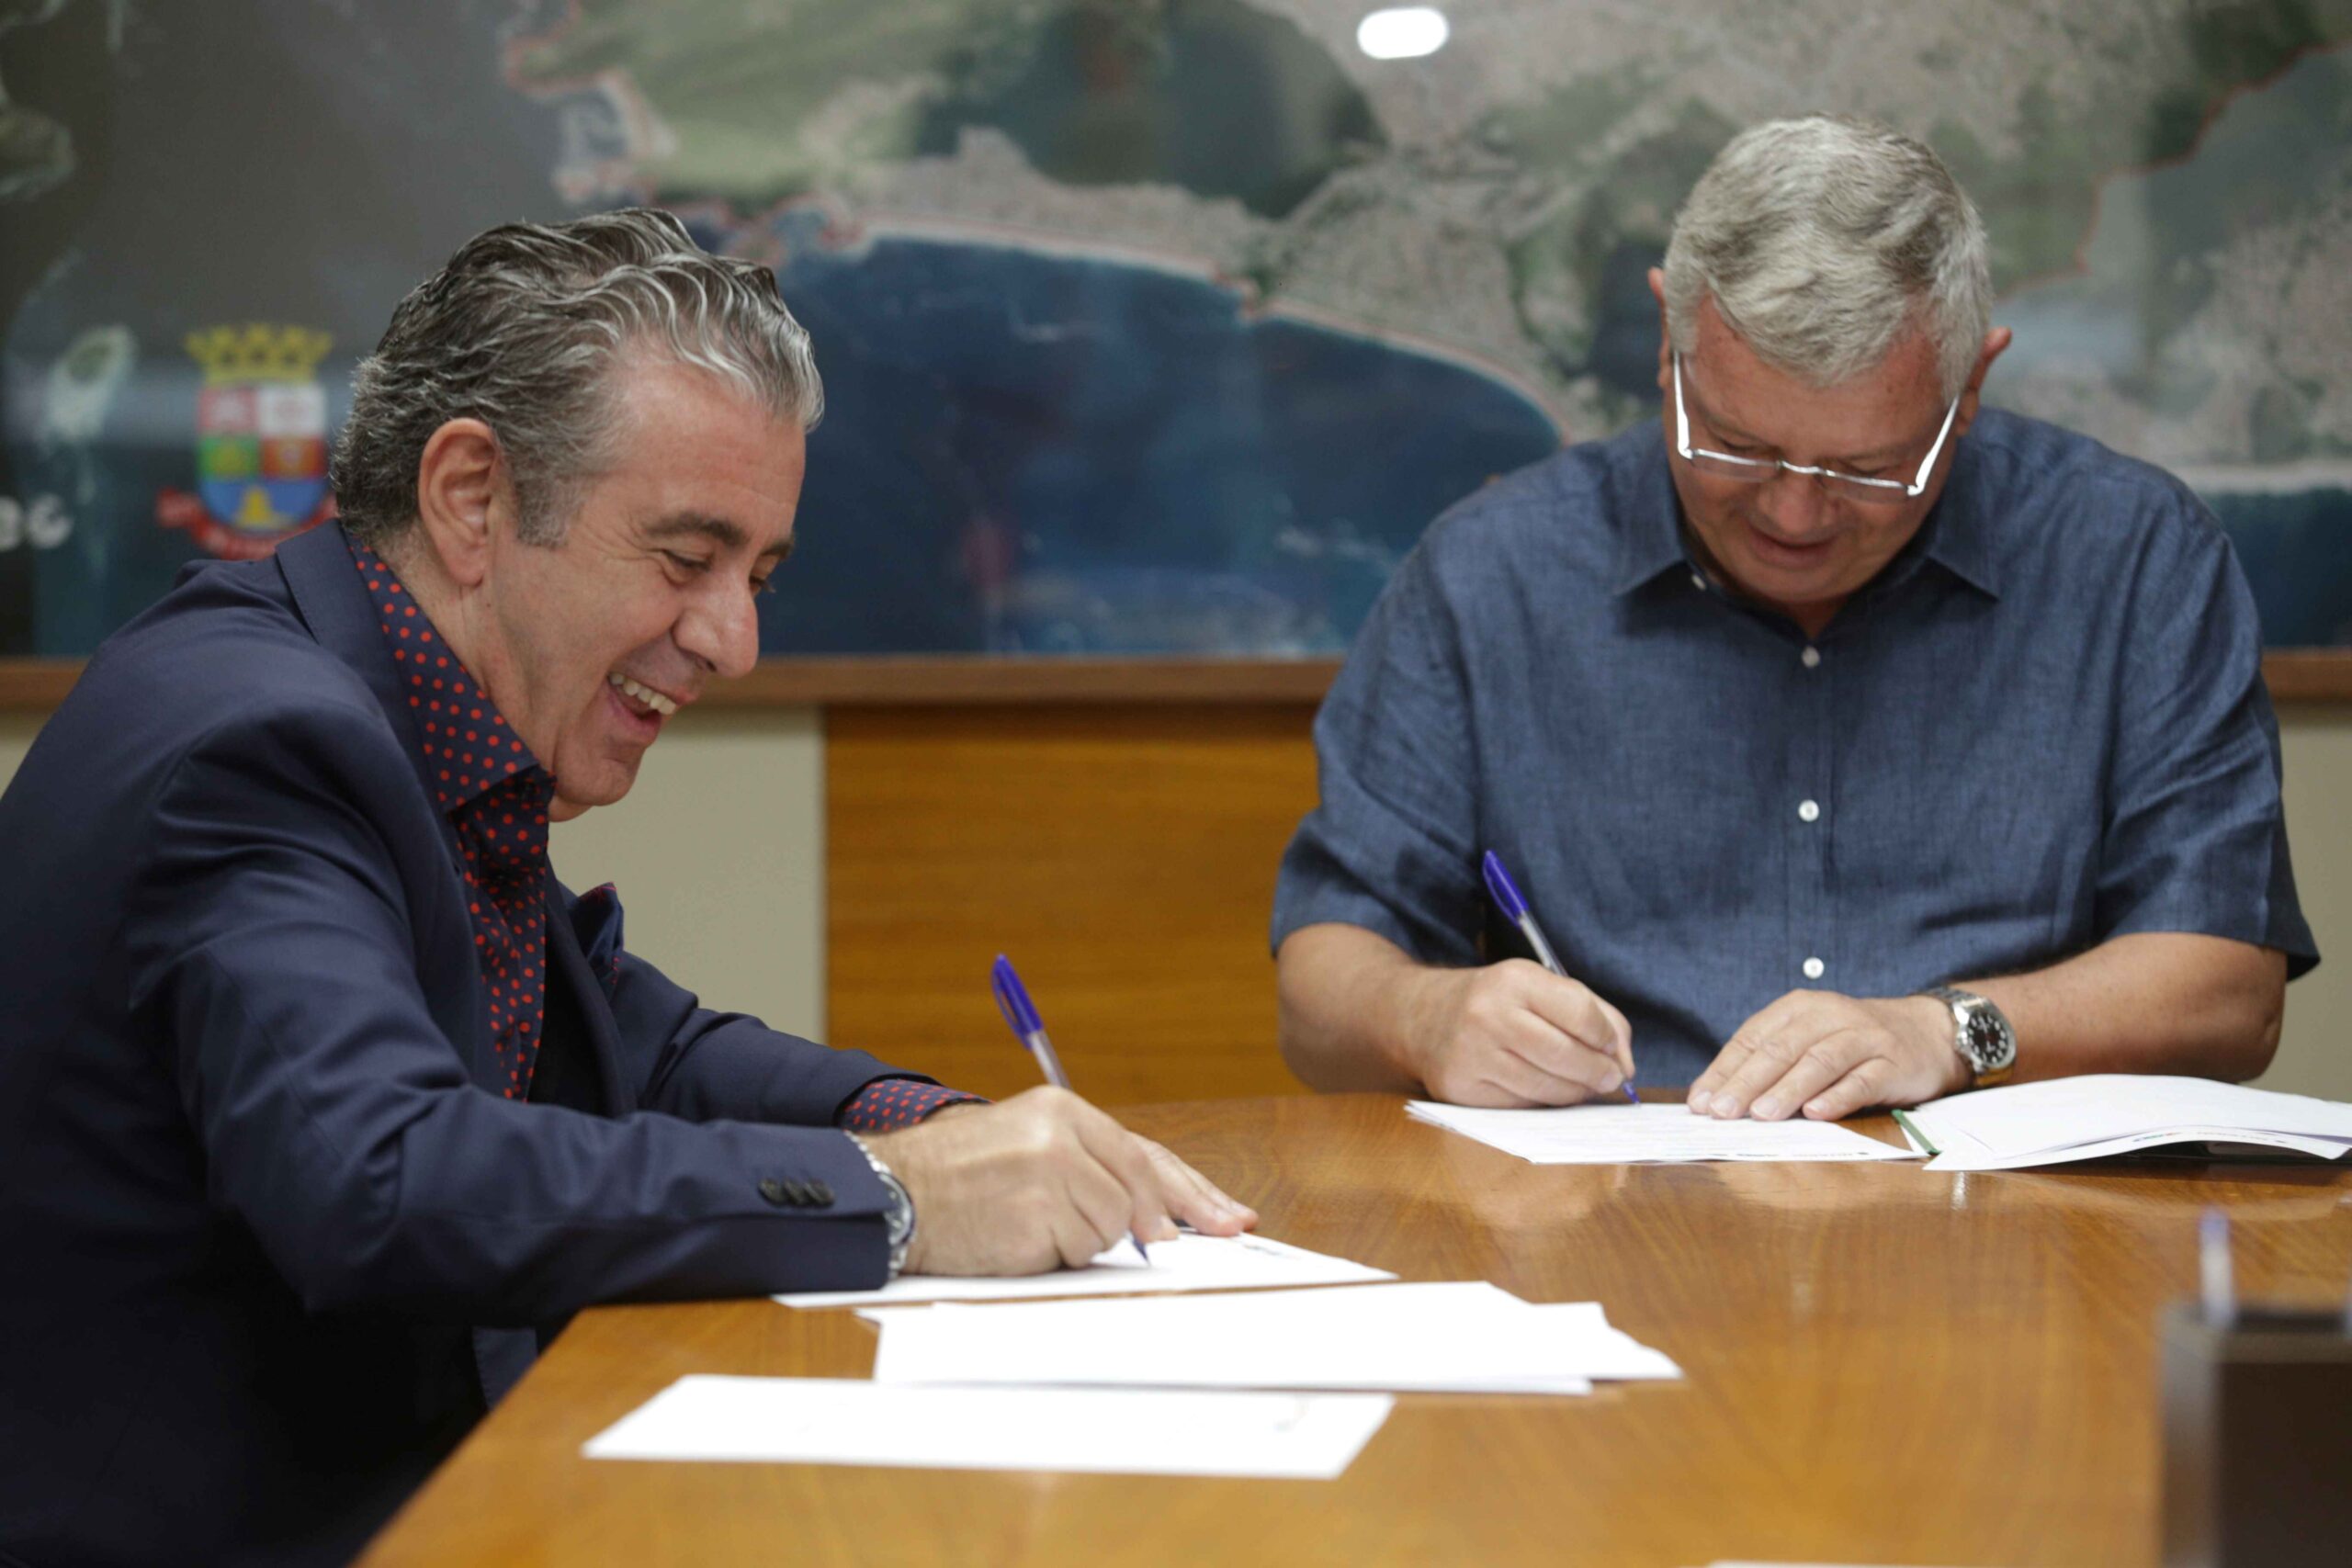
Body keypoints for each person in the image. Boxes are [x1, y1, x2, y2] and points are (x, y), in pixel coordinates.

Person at [0, 209, 1253, 1568]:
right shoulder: (257, 740)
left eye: (759, 574)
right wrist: (896, 1193)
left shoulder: (394, 708)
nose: (735, 639)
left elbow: (626, 1040)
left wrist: (952, 1125)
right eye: (686, 557)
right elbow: (381, 1173)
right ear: (472, 497)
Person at [1272, 116, 2316, 1122]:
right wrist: (1427, 1016)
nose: (1792, 512)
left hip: (2020, 1246)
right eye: (1733, 445)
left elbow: (2229, 994)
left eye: (1868, 469)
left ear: (1972, 383)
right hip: (1605, 1231)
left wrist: (1949, 1036)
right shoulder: (1488, 575)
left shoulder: (2131, 558)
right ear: (1665, 346)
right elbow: (1320, 987)